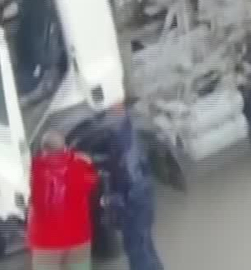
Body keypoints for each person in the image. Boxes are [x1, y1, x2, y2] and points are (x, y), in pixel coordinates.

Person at [103, 101, 164, 270]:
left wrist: (110, 200)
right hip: (144, 202)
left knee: (138, 252)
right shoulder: (129, 130)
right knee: (146, 246)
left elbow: (131, 180)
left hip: (135, 207)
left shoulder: (124, 142)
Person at [28, 129, 98, 270]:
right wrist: (86, 162)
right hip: (79, 238)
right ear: (64, 147)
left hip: (45, 242)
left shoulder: (32, 168)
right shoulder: (81, 164)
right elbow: (93, 181)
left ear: (43, 149)